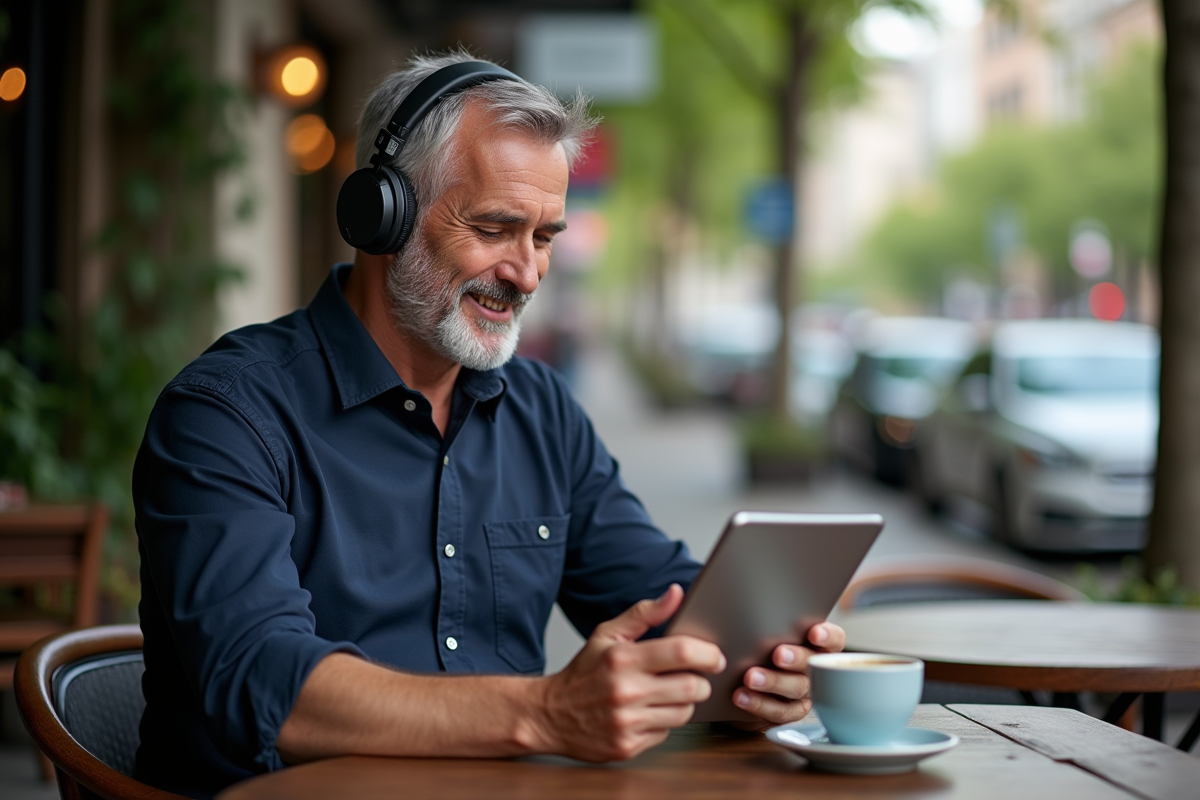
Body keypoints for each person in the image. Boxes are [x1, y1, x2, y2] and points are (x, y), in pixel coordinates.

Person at [132, 51, 845, 799]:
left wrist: (758, 666)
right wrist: (546, 713)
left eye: (543, 237)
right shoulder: (224, 413)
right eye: (497, 228)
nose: (528, 272)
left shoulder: (542, 411)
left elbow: (667, 604)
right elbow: (265, 683)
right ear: (383, 215)